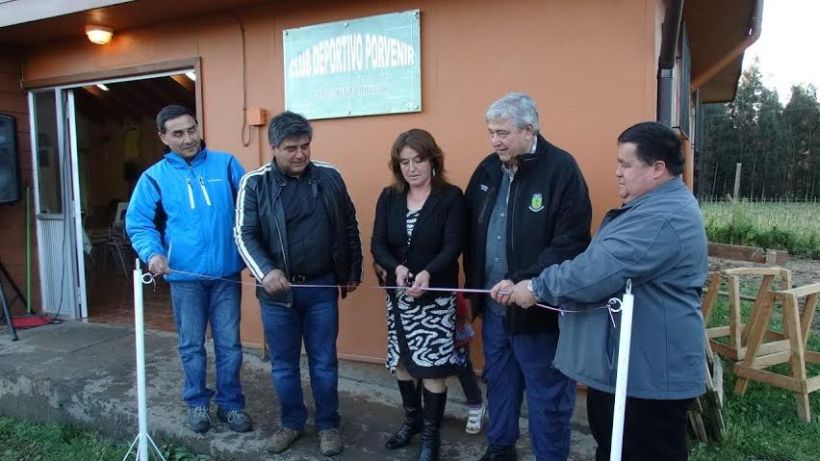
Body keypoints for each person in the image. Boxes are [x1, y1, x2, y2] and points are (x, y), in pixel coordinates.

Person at [499, 121, 708, 461]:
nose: (617, 173)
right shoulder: (651, 207)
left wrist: (537, 287)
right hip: (630, 370)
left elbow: (595, 273)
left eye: (626, 164)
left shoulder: (661, 218)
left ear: (658, 169)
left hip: (647, 378)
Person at [464, 92, 592, 461]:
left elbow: (571, 242)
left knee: (547, 393)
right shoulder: (488, 169)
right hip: (494, 309)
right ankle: (501, 447)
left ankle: (549, 456)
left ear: (528, 129)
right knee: (500, 384)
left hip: (539, 311)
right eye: (491, 132)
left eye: (502, 133)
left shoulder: (561, 169)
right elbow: (465, 227)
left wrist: (525, 279)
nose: (495, 141)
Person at [234, 111, 362, 457]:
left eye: (305, 146)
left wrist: (353, 270)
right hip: (277, 294)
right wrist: (266, 271)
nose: (301, 154)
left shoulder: (330, 176)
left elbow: (349, 224)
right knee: (284, 364)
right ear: (273, 146)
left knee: (324, 361)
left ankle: (328, 425)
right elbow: (243, 234)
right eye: (291, 148)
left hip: (321, 288)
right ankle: (291, 423)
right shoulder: (254, 183)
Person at [126, 104, 252, 434]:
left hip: (226, 274)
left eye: (192, 129)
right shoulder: (154, 177)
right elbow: (138, 223)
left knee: (230, 345)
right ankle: (197, 403)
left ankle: (231, 405)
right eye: (178, 133)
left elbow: (251, 210)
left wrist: (257, 260)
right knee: (191, 346)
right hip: (183, 278)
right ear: (163, 137)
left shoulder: (226, 164)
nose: (188, 138)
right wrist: (152, 254)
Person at [371, 128, 466, 461]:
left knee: (433, 368)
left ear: (432, 160)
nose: (411, 168)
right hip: (399, 297)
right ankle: (411, 421)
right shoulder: (390, 196)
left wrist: (427, 273)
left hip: (435, 299)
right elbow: (378, 243)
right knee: (402, 362)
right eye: (404, 162)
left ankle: (430, 436)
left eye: (418, 160)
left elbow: (453, 245)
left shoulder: (450, 197)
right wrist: (395, 268)